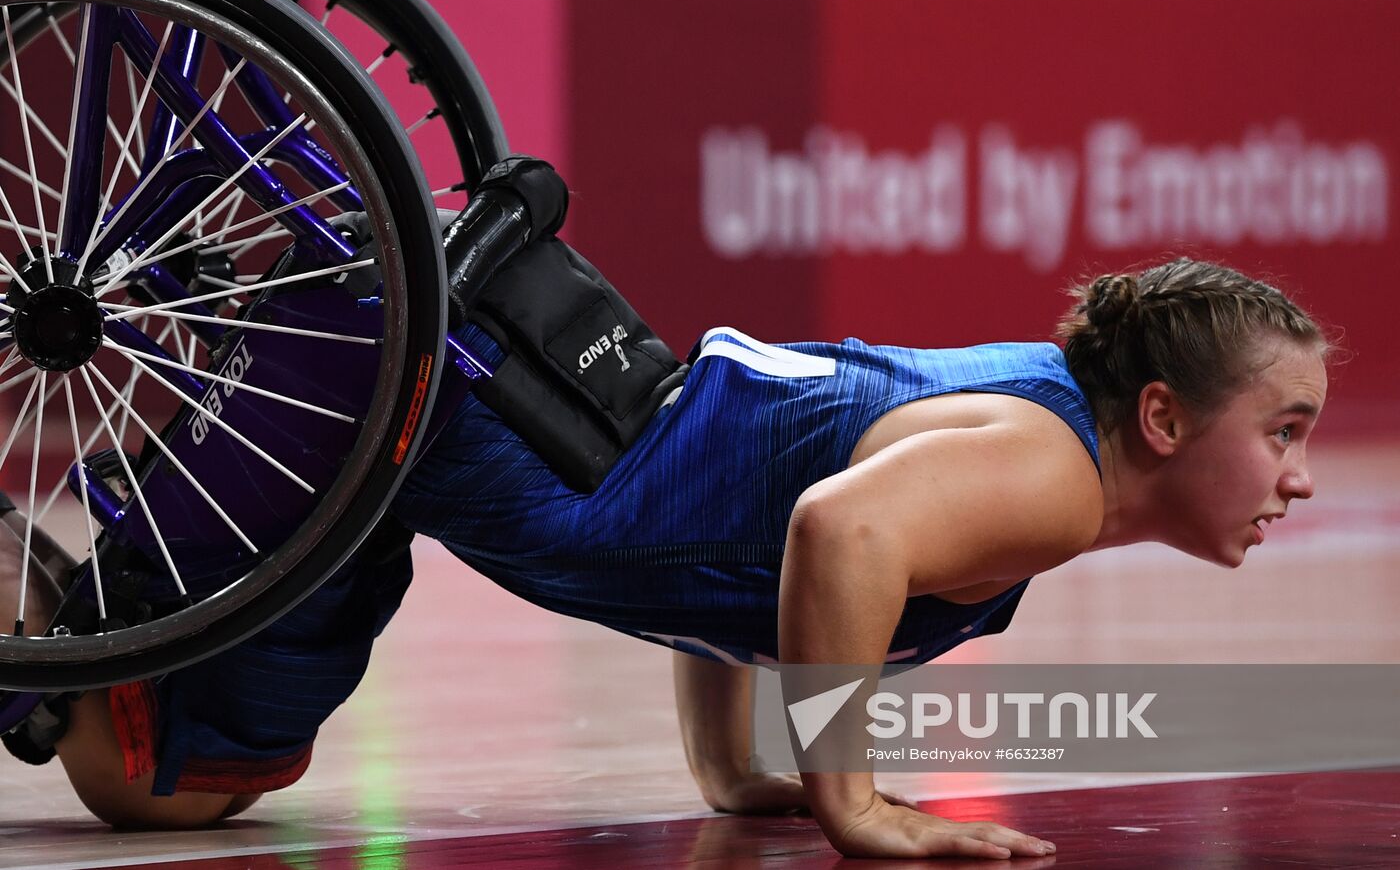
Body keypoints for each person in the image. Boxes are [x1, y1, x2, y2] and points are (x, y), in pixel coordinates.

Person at [4, 256, 1331, 860]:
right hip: (423, 397)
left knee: (174, 778)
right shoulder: (1049, 476)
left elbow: (759, 535)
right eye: (1282, 430)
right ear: (1162, 417)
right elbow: (836, 530)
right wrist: (846, 799)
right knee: (153, 785)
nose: (1299, 473)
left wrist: (730, 764)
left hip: (441, 388)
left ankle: (24, 607)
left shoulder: (1039, 420)